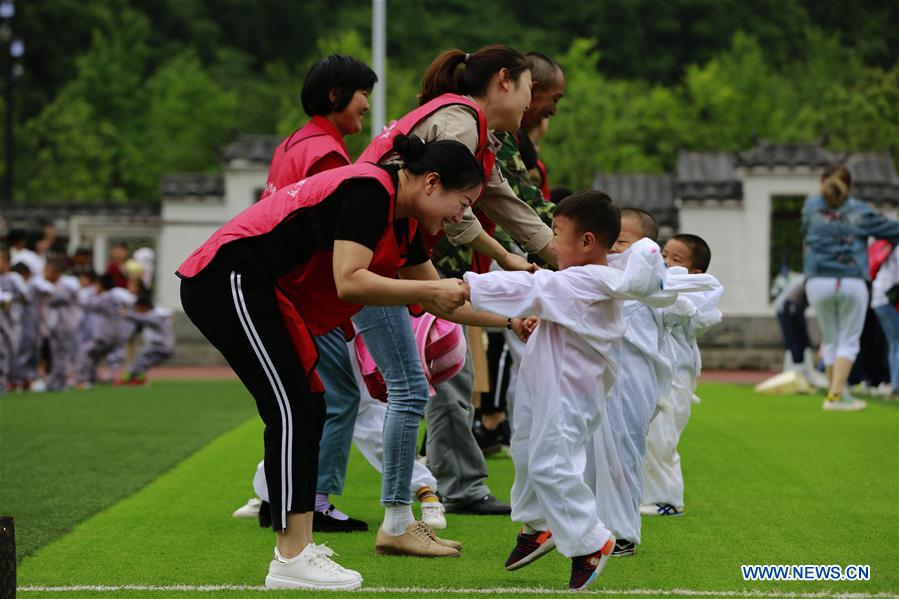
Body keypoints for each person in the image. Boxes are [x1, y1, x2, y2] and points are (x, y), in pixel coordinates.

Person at [178, 136, 516, 589]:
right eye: (464, 202)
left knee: (310, 405)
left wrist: (513, 320)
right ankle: (290, 557)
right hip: (228, 277)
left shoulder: (405, 221)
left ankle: (299, 546)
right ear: (432, 183)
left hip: (260, 288)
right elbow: (350, 281)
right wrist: (429, 291)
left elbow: (444, 303)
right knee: (291, 408)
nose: (462, 216)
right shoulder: (371, 190)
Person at [354, 45, 555, 519]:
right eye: (530, 89)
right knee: (407, 385)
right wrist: (514, 258)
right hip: (376, 258)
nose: (532, 102)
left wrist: (560, 261)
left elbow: (506, 206)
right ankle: (406, 509)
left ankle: (405, 507)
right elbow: (457, 213)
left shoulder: (474, 129)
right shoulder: (461, 126)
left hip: (393, 254)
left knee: (369, 390)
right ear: (504, 80)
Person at [464, 193, 680, 590]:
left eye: (557, 233)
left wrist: (462, 286)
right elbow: (550, 302)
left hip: (566, 396)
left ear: (586, 242)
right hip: (549, 387)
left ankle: (590, 542)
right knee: (528, 450)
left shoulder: (586, 279)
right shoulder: (592, 279)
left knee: (550, 463)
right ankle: (538, 525)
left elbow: (533, 287)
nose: (551, 241)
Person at [239, 54, 380, 532]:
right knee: (336, 399)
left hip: (278, 286)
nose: (367, 104)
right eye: (362, 93)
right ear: (336, 95)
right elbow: (328, 243)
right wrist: (339, 308)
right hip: (303, 294)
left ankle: (277, 498)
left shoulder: (292, 144)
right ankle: (312, 501)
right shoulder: (328, 154)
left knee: (301, 400)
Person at [584, 208, 674, 557]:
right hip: (599, 373)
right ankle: (590, 526)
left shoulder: (650, 270)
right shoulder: (602, 273)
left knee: (623, 450)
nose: (614, 248)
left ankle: (621, 532)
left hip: (634, 376)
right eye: (610, 239)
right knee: (590, 451)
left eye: (622, 240)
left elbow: (641, 261)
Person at [802, 164, 899, 410]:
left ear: (823, 181)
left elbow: (805, 232)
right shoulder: (860, 211)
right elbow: (893, 230)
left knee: (831, 339)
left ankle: (838, 392)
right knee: (849, 340)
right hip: (852, 279)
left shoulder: (810, 207)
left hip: (818, 280)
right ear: (850, 185)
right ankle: (835, 395)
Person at [641, 234, 723, 518]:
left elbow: (699, 318)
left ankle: (668, 499)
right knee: (646, 434)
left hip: (677, 377)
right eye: (664, 255)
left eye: (676, 260)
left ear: (695, 273)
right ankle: (647, 494)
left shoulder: (697, 297)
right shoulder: (655, 288)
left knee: (662, 437)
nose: (666, 262)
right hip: (653, 372)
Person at [39, 258, 80, 391]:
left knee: (61, 355)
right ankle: (55, 382)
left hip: (64, 325)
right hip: (55, 326)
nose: (44, 274)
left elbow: (54, 299)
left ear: (56, 272)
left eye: (47, 271)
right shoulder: (53, 286)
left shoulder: (64, 287)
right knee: (56, 355)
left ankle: (60, 382)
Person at [117, 292, 175, 386]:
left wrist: (127, 314)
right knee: (143, 361)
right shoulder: (153, 313)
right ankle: (138, 379)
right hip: (162, 346)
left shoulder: (153, 315)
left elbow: (143, 319)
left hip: (162, 346)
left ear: (144, 306)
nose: (138, 310)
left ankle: (128, 378)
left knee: (140, 357)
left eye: (138, 308)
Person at [870, 241, 899, 395]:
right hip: (886, 300)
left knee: (894, 343)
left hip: (879, 300)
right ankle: (897, 386)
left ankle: (895, 383)